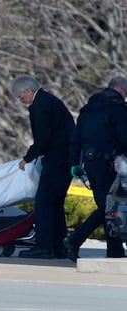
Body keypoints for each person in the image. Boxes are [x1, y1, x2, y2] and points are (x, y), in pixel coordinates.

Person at [64, 76, 127, 262]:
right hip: (110, 165)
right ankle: (74, 240)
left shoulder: (87, 109)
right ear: (122, 90)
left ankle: (114, 249)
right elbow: (124, 139)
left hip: (91, 164)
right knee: (109, 208)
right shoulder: (118, 109)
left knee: (106, 206)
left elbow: (76, 138)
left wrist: (74, 163)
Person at [11, 74, 75, 259]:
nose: (20, 99)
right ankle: (59, 245)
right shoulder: (51, 101)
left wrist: (28, 158)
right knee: (55, 203)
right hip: (66, 157)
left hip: (57, 158)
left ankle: (44, 247)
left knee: (44, 202)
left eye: (21, 95)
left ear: (29, 91)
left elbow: (43, 138)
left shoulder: (39, 105)